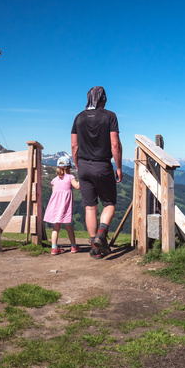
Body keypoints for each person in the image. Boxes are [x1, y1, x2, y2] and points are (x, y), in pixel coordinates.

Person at [71, 86, 122, 259]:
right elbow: (115, 144)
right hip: (102, 166)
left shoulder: (78, 118)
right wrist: (119, 167)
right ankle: (101, 235)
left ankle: (95, 248)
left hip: (84, 166)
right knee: (109, 204)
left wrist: (78, 166)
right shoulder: (110, 116)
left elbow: (74, 146)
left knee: (90, 207)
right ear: (103, 99)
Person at [43, 156, 81, 255]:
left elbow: (53, 194)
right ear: (68, 168)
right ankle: (73, 246)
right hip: (65, 208)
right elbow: (77, 186)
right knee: (69, 227)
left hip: (55, 207)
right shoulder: (70, 177)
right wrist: (82, 177)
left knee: (56, 228)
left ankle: (54, 248)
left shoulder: (54, 180)